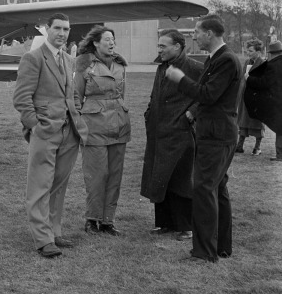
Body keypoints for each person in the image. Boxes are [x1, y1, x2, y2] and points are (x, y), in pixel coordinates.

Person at [165, 14, 241, 263]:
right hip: (218, 133)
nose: (194, 36)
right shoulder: (218, 58)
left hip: (216, 136)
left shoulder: (225, 60)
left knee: (204, 189)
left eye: (197, 32)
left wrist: (180, 79)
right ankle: (220, 247)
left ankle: (205, 252)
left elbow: (208, 95)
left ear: (209, 33)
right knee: (217, 189)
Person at [13, 13, 88, 258]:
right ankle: (43, 239)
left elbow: (72, 94)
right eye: (57, 28)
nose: (62, 34)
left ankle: (54, 232)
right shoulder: (32, 58)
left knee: (58, 186)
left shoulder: (68, 59)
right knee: (39, 186)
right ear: (47, 29)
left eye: (66, 29)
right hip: (45, 131)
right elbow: (22, 98)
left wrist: (76, 113)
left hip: (70, 132)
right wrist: (34, 126)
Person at [141, 29, 203, 241]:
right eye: (158, 45)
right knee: (160, 176)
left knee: (181, 178)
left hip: (180, 132)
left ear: (177, 46)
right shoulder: (162, 66)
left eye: (163, 46)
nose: (159, 49)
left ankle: (186, 227)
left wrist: (191, 113)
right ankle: (164, 223)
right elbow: (155, 94)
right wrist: (149, 113)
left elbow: (207, 94)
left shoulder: (195, 67)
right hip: (159, 131)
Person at [74, 25, 130, 236]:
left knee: (115, 175)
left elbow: (121, 94)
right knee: (97, 175)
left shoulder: (119, 64)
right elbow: (76, 96)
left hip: (119, 124)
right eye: (107, 39)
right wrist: (79, 124)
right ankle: (92, 219)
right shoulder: (83, 63)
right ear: (95, 42)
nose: (111, 42)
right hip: (94, 126)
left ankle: (108, 221)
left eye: (113, 39)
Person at [244, 40, 282, 161]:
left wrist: (249, 79)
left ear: (271, 53)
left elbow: (264, 83)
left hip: (276, 101)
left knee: (279, 128)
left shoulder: (272, 65)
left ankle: (280, 155)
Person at [236, 39, 266, 155]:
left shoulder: (263, 64)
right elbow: (242, 79)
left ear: (258, 52)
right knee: (243, 119)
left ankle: (257, 147)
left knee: (258, 122)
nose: (248, 53)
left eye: (251, 51)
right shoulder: (247, 62)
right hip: (246, 95)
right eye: (247, 50)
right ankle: (240, 145)